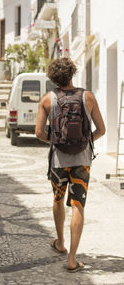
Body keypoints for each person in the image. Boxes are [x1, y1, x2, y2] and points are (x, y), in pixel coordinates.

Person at [35, 57, 105, 272]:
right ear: (72, 73)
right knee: (78, 205)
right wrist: (85, 141)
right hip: (82, 161)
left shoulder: (47, 99)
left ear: (53, 78)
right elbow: (101, 130)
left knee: (58, 199)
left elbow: (38, 132)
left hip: (58, 160)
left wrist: (56, 141)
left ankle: (60, 243)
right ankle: (72, 259)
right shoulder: (88, 97)